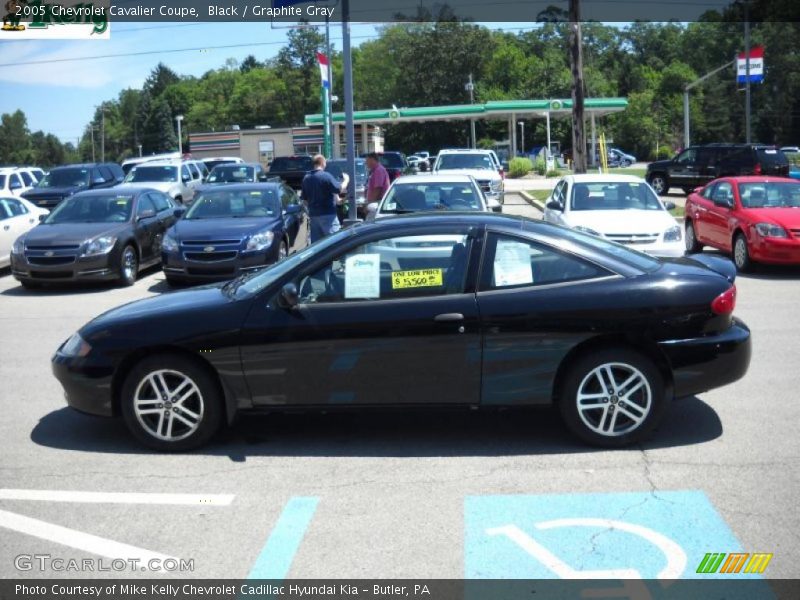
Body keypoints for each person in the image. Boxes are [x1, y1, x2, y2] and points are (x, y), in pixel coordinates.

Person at [302, 154, 349, 243]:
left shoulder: (306, 178)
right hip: (328, 216)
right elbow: (339, 189)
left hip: (314, 216)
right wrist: (346, 180)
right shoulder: (326, 176)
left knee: (318, 246)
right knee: (335, 243)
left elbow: (304, 200)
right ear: (323, 163)